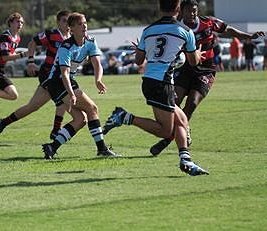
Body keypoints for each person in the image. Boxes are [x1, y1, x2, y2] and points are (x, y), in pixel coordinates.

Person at [103, 0, 208, 176]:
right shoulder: (186, 32)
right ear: (178, 9)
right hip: (162, 83)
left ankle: (186, 160)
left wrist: (142, 50)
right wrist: (197, 54)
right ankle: (125, 117)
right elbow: (193, 62)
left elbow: (138, 61)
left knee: (182, 121)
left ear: (160, 8)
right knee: (165, 130)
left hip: (151, 81)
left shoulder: (148, 30)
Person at [150, 0, 265, 155]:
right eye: (189, 11)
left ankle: (170, 137)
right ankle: (178, 131)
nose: (192, 14)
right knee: (174, 102)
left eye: (195, 11)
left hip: (205, 71)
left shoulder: (208, 22)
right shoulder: (176, 27)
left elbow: (227, 29)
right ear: (181, 11)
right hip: (184, 70)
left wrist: (248, 36)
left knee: (192, 103)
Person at [41, 12, 120, 160]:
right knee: (92, 108)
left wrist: (98, 80)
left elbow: (97, 64)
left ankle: (51, 147)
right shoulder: (66, 46)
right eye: (80, 24)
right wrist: (71, 93)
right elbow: (63, 74)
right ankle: (102, 149)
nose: (84, 26)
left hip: (67, 81)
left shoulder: (90, 41)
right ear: (71, 28)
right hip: (57, 82)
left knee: (80, 119)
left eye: (85, 22)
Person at [0, 11, 71, 141]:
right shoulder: (51, 34)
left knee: (32, 107)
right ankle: (56, 131)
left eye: (69, 21)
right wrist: (30, 62)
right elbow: (32, 43)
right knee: (63, 100)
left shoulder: (72, 37)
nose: (67, 24)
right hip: (48, 75)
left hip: (62, 76)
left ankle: (3, 122)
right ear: (58, 22)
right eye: (64, 20)